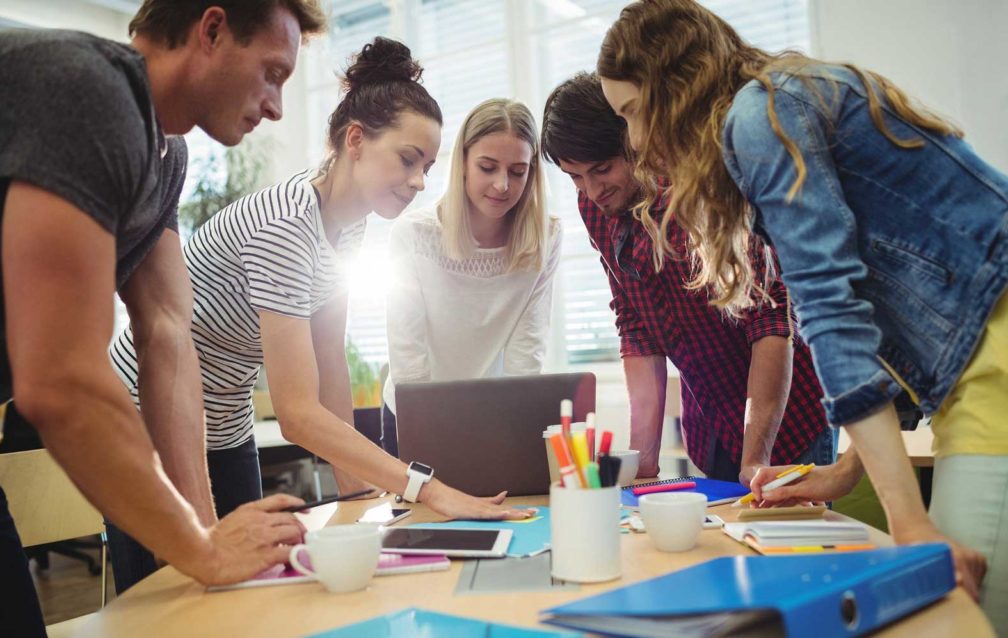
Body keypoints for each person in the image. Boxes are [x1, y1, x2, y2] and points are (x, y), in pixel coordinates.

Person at [597, 0, 1005, 620]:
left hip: (996, 364)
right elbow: (890, 312)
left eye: (630, 110)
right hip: (974, 371)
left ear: (669, 89)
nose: (632, 136)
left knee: (954, 608)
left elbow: (833, 314)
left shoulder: (760, 118)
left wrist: (908, 525)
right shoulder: (782, 96)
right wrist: (846, 472)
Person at [107, 37, 533, 592]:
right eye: (408, 159)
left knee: (240, 590)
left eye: (427, 165)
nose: (420, 181)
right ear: (355, 140)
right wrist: (424, 488)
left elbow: (329, 359)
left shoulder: (349, 226)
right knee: (168, 601)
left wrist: (357, 494)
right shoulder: (285, 225)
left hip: (225, 415)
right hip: (148, 408)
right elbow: (297, 414)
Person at [0, 1, 325, 633]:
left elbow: (169, 333)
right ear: (213, 29)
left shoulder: (164, 155)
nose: (276, 105)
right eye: (272, 72)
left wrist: (204, 539)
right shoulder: (88, 90)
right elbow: (59, 381)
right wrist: (200, 550)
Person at [541, 72, 832, 483]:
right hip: (711, 425)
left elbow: (769, 322)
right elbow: (636, 325)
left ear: (634, 141)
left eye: (601, 169)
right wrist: (642, 463)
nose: (590, 191)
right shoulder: (597, 207)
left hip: (786, 421)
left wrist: (756, 460)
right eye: (575, 177)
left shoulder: (702, 190)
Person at [382, 98, 562, 452]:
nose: (502, 185)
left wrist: (513, 436)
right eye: (488, 167)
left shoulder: (546, 237)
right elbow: (408, 357)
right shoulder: (414, 234)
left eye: (517, 171)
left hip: (494, 412)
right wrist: (429, 434)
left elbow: (527, 355)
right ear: (462, 163)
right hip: (414, 409)